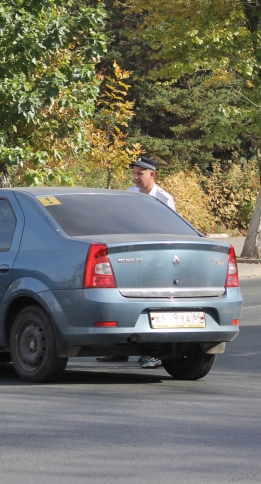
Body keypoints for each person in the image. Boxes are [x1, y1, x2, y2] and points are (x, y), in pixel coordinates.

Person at [97, 155, 176, 369]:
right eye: (134, 173)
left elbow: (167, 233)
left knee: (152, 306)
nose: (135, 177)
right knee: (122, 301)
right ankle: (118, 350)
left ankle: (153, 353)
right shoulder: (129, 195)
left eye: (140, 173)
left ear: (152, 175)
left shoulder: (164, 199)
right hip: (131, 257)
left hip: (155, 261)